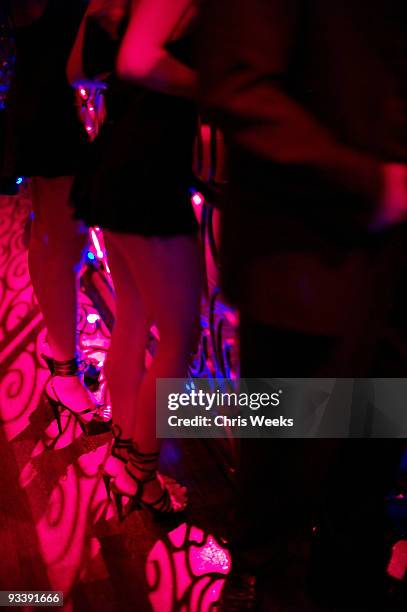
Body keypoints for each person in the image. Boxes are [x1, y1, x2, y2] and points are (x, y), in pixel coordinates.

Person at [199, 0, 407, 609]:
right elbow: (237, 83)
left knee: (364, 490)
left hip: (386, 273)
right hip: (303, 263)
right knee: (281, 499)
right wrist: (375, 184)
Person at [68, 0, 203, 515]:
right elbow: (141, 61)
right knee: (179, 337)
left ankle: (125, 452)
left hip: (115, 162)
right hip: (149, 173)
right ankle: (138, 477)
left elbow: (77, 70)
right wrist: (219, 90)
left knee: (134, 316)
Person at [0, 0, 105, 433]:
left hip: (83, 102)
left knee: (71, 239)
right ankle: (63, 369)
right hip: (52, 100)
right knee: (61, 237)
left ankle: (62, 350)